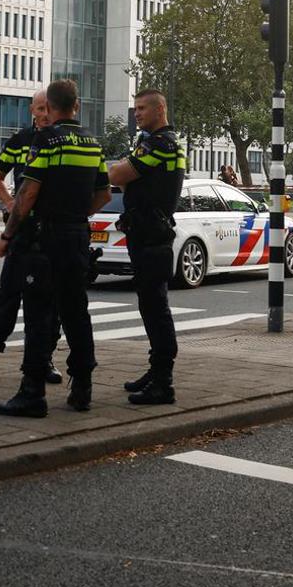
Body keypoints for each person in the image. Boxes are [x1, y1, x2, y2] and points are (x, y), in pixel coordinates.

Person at [0, 79, 109, 418]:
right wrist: (76, 215)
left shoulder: (46, 141)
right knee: (76, 312)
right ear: (77, 105)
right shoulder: (91, 143)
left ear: (53, 107)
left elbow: (27, 195)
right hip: (77, 238)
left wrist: (8, 236)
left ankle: (32, 393)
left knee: (40, 314)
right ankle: (82, 387)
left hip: (46, 240)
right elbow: (102, 194)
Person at [0, 91, 61, 387]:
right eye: (40, 108)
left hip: (51, 231)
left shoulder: (59, 140)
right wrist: (9, 203)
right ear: (32, 109)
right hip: (22, 231)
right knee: (7, 297)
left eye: (49, 108)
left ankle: (45, 359)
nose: (44, 114)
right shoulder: (19, 140)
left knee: (51, 304)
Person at [108, 89, 186, 406]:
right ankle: (155, 372)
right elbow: (124, 179)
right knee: (150, 306)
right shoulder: (155, 143)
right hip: (147, 232)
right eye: (135, 108)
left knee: (156, 310)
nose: (137, 113)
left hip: (152, 235)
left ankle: (163, 383)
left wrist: (128, 173)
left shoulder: (160, 144)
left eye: (142, 108)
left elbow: (117, 174)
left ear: (160, 109)